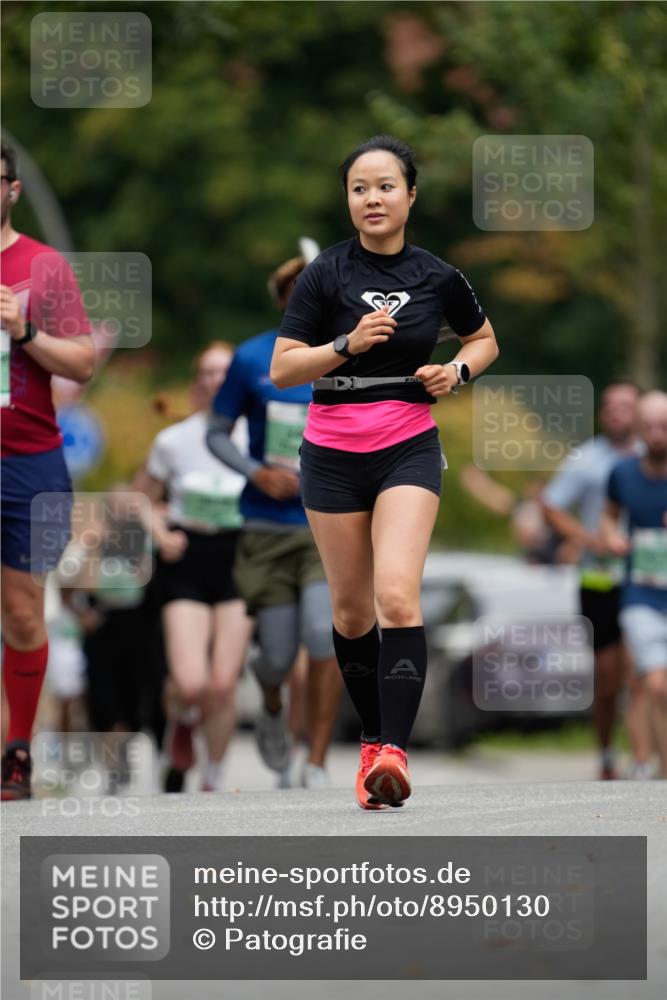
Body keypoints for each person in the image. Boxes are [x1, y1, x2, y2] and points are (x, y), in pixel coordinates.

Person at [269, 134, 498, 808]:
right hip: (332, 453)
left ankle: (392, 753)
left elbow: (484, 339)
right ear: (348, 200)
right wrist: (343, 344)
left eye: (384, 186)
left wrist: (455, 370)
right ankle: (372, 740)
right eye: (358, 188)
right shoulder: (325, 275)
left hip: (406, 445)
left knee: (396, 595)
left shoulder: (437, 276)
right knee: (348, 610)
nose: (371, 198)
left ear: (410, 195)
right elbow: (283, 368)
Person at [207, 256, 342, 789]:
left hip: (327, 522)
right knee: (277, 657)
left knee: (323, 636)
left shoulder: (348, 351)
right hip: (266, 526)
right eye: (296, 291)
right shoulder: (251, 358)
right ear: (283, 298)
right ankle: (269, 705)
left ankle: (316, 759)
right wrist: (256, 472)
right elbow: (217, 432)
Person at [1, 141, 95, 800]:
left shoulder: (43, 266)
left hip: (27, 461)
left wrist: (25, 331)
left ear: (11, 189)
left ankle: (18, 752)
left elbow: (83, 363)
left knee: (24, 614)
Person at [137, 343, 254, 792]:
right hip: (186, 558)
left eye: (224, 372)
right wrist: (160, 533)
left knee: (222, 685)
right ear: (196, 382)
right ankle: (182, 722)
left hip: (238, 558)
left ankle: (212, 778)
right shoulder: (173, 440)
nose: (215, 380)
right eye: (206, 372)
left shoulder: (254, 436)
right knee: (190, 683)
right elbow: (140, 499)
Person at [542, 382, 651, 780]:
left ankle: (644, 758)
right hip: (599, 577)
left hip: (651, 577)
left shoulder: (654, 456)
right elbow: (551, 505)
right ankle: (607, 753)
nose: (617, 412)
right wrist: (589, 540)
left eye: (626, 405)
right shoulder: (586, 460)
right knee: (608, 680)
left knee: (643, 669)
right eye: (610, 406)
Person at [600, 391, 667, 778]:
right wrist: (611, 537)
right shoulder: (622, 473)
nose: (657, 435)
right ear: (639, 430)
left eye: (664, 427)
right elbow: (610, 517)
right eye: (650, 427)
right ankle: (645, 762)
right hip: (640, 593)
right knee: (653, 681)